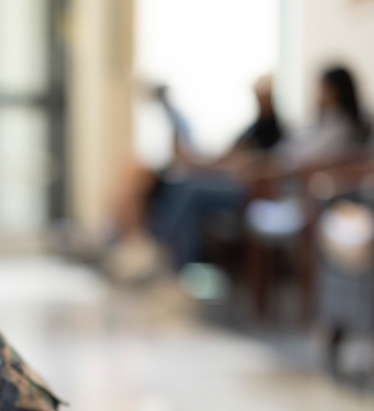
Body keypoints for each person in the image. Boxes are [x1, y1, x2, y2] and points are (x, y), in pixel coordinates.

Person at [159, 65, 369, 273]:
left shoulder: (338, 127)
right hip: (265, 178)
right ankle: (173, 262)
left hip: (277, 189)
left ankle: (169, 264)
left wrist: (263, 168)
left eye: (322, 87)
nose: (317, 93)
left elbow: (302, 164)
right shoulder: (315, 124)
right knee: (189, 184)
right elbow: (283, 155)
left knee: (193, 189)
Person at [106, 77, 282, 281]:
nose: (259, 101)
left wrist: (227, 165)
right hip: (224, 179)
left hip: (247, 191)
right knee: (174, 186)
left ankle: (164, 253)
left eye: (263, 97)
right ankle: (160, 256)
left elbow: (257, 166)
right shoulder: (252, 128)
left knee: (192, 189)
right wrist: (201, 163)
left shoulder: (275, 132)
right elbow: (228, 157)